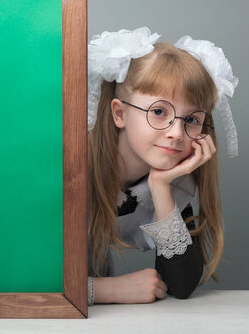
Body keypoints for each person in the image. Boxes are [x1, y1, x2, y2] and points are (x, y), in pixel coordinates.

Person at [87, 27, 239, 305]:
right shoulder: (72, 170)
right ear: (119, 113)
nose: (176, 133)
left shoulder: (173, 185)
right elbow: (19, 272)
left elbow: (181, 285)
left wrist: (160, 188)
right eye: (159, 112)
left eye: (191, 119)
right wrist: (103, 290)